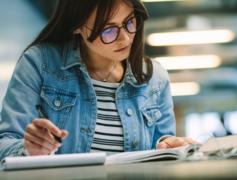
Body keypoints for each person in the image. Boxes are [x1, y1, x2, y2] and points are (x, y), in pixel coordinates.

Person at [0, 0, 196, 160]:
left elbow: (161, 149)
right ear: (77, 26)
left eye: (130, 22)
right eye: (108, 31)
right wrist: (29, 149)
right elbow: (5, 144)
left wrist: (172, 147)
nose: (126, 39)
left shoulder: (155, 78)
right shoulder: (40, 63)